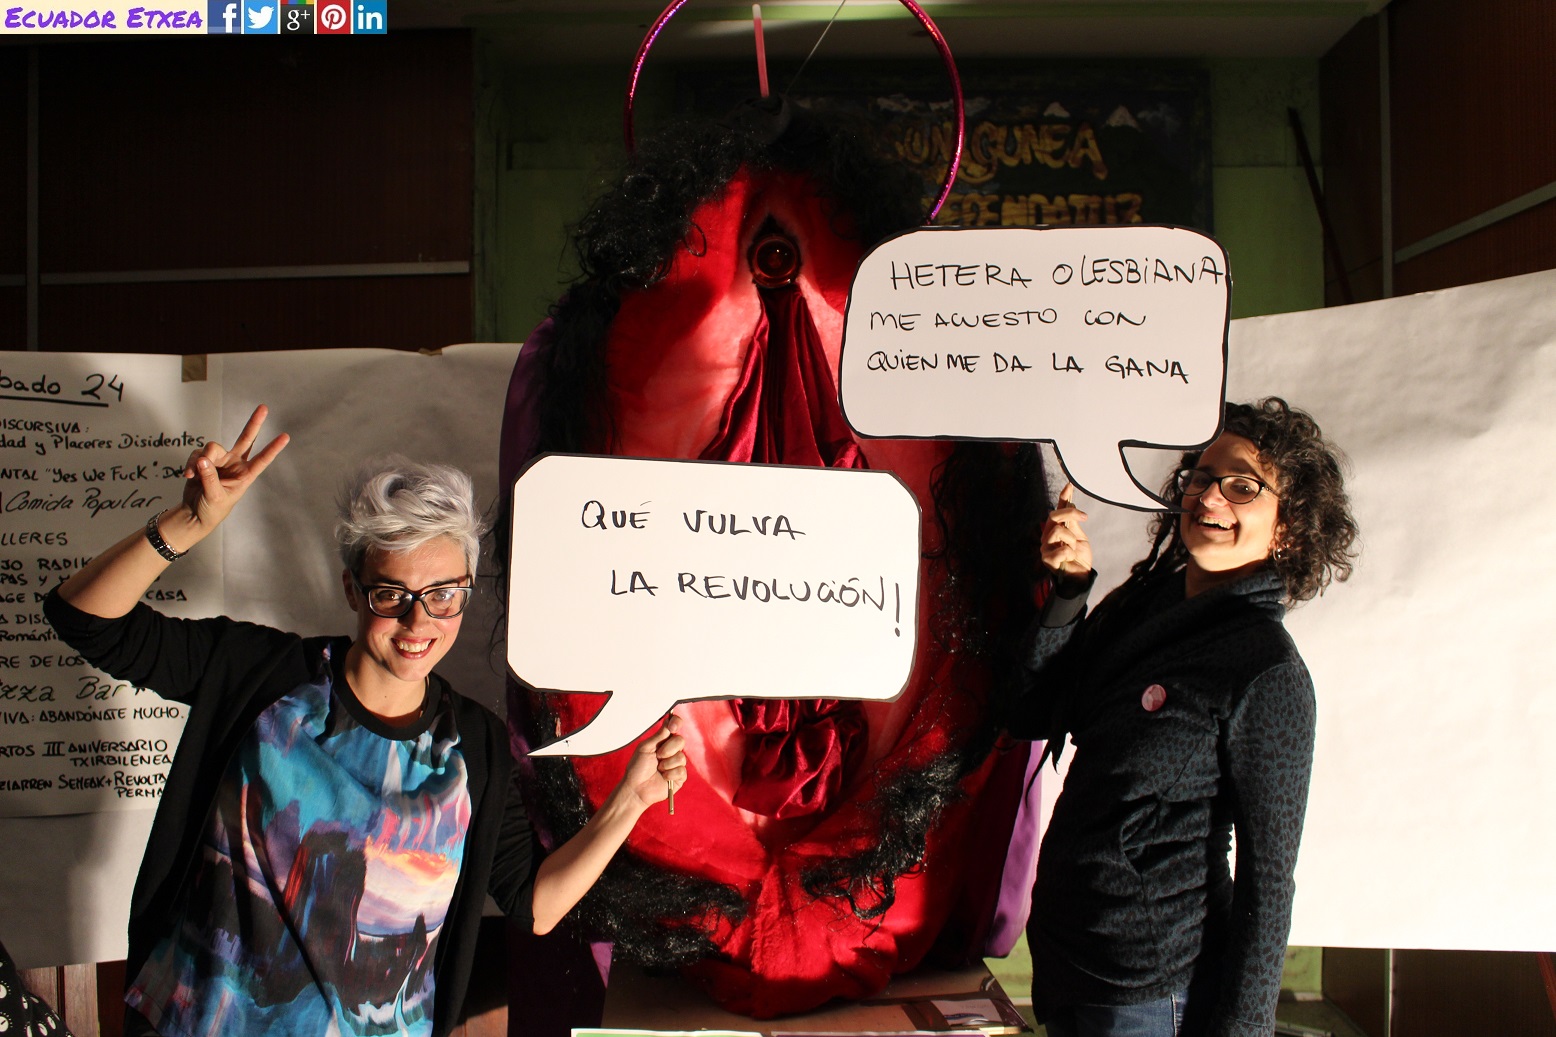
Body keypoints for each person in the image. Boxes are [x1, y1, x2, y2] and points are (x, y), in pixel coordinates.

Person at [43, 406, 687, 1037]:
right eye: (391, 595)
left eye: (444, 596)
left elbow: (534, 903)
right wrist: (187, 524)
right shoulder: (259, 676)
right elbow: (85, 620)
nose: (419, 621)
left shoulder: (475, 748)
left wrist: (631, 799)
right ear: (353, 589)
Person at [1012, 398, 1359, 1037]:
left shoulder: (1265, 669)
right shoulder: (1145, 607)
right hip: (1068, 962)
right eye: (1201, 476)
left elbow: (1268, 884)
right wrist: (1069, 591)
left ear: (1289, 528)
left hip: (1152, 992)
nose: (1210, 496)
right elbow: (1034, 709)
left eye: (1242, 486)